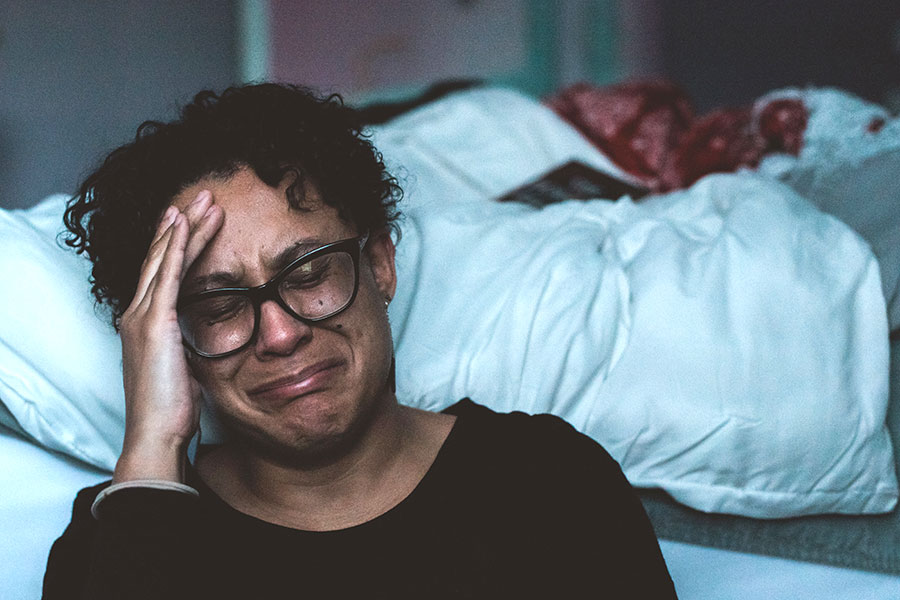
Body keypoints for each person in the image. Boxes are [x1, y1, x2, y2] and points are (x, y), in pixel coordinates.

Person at [42, 83, 677, 599]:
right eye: (219, 305)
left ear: (379, 264)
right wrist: (153, 446)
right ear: (171, 340)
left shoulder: (549, 482)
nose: (282, 334)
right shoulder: (118, 533)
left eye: (311, 273)